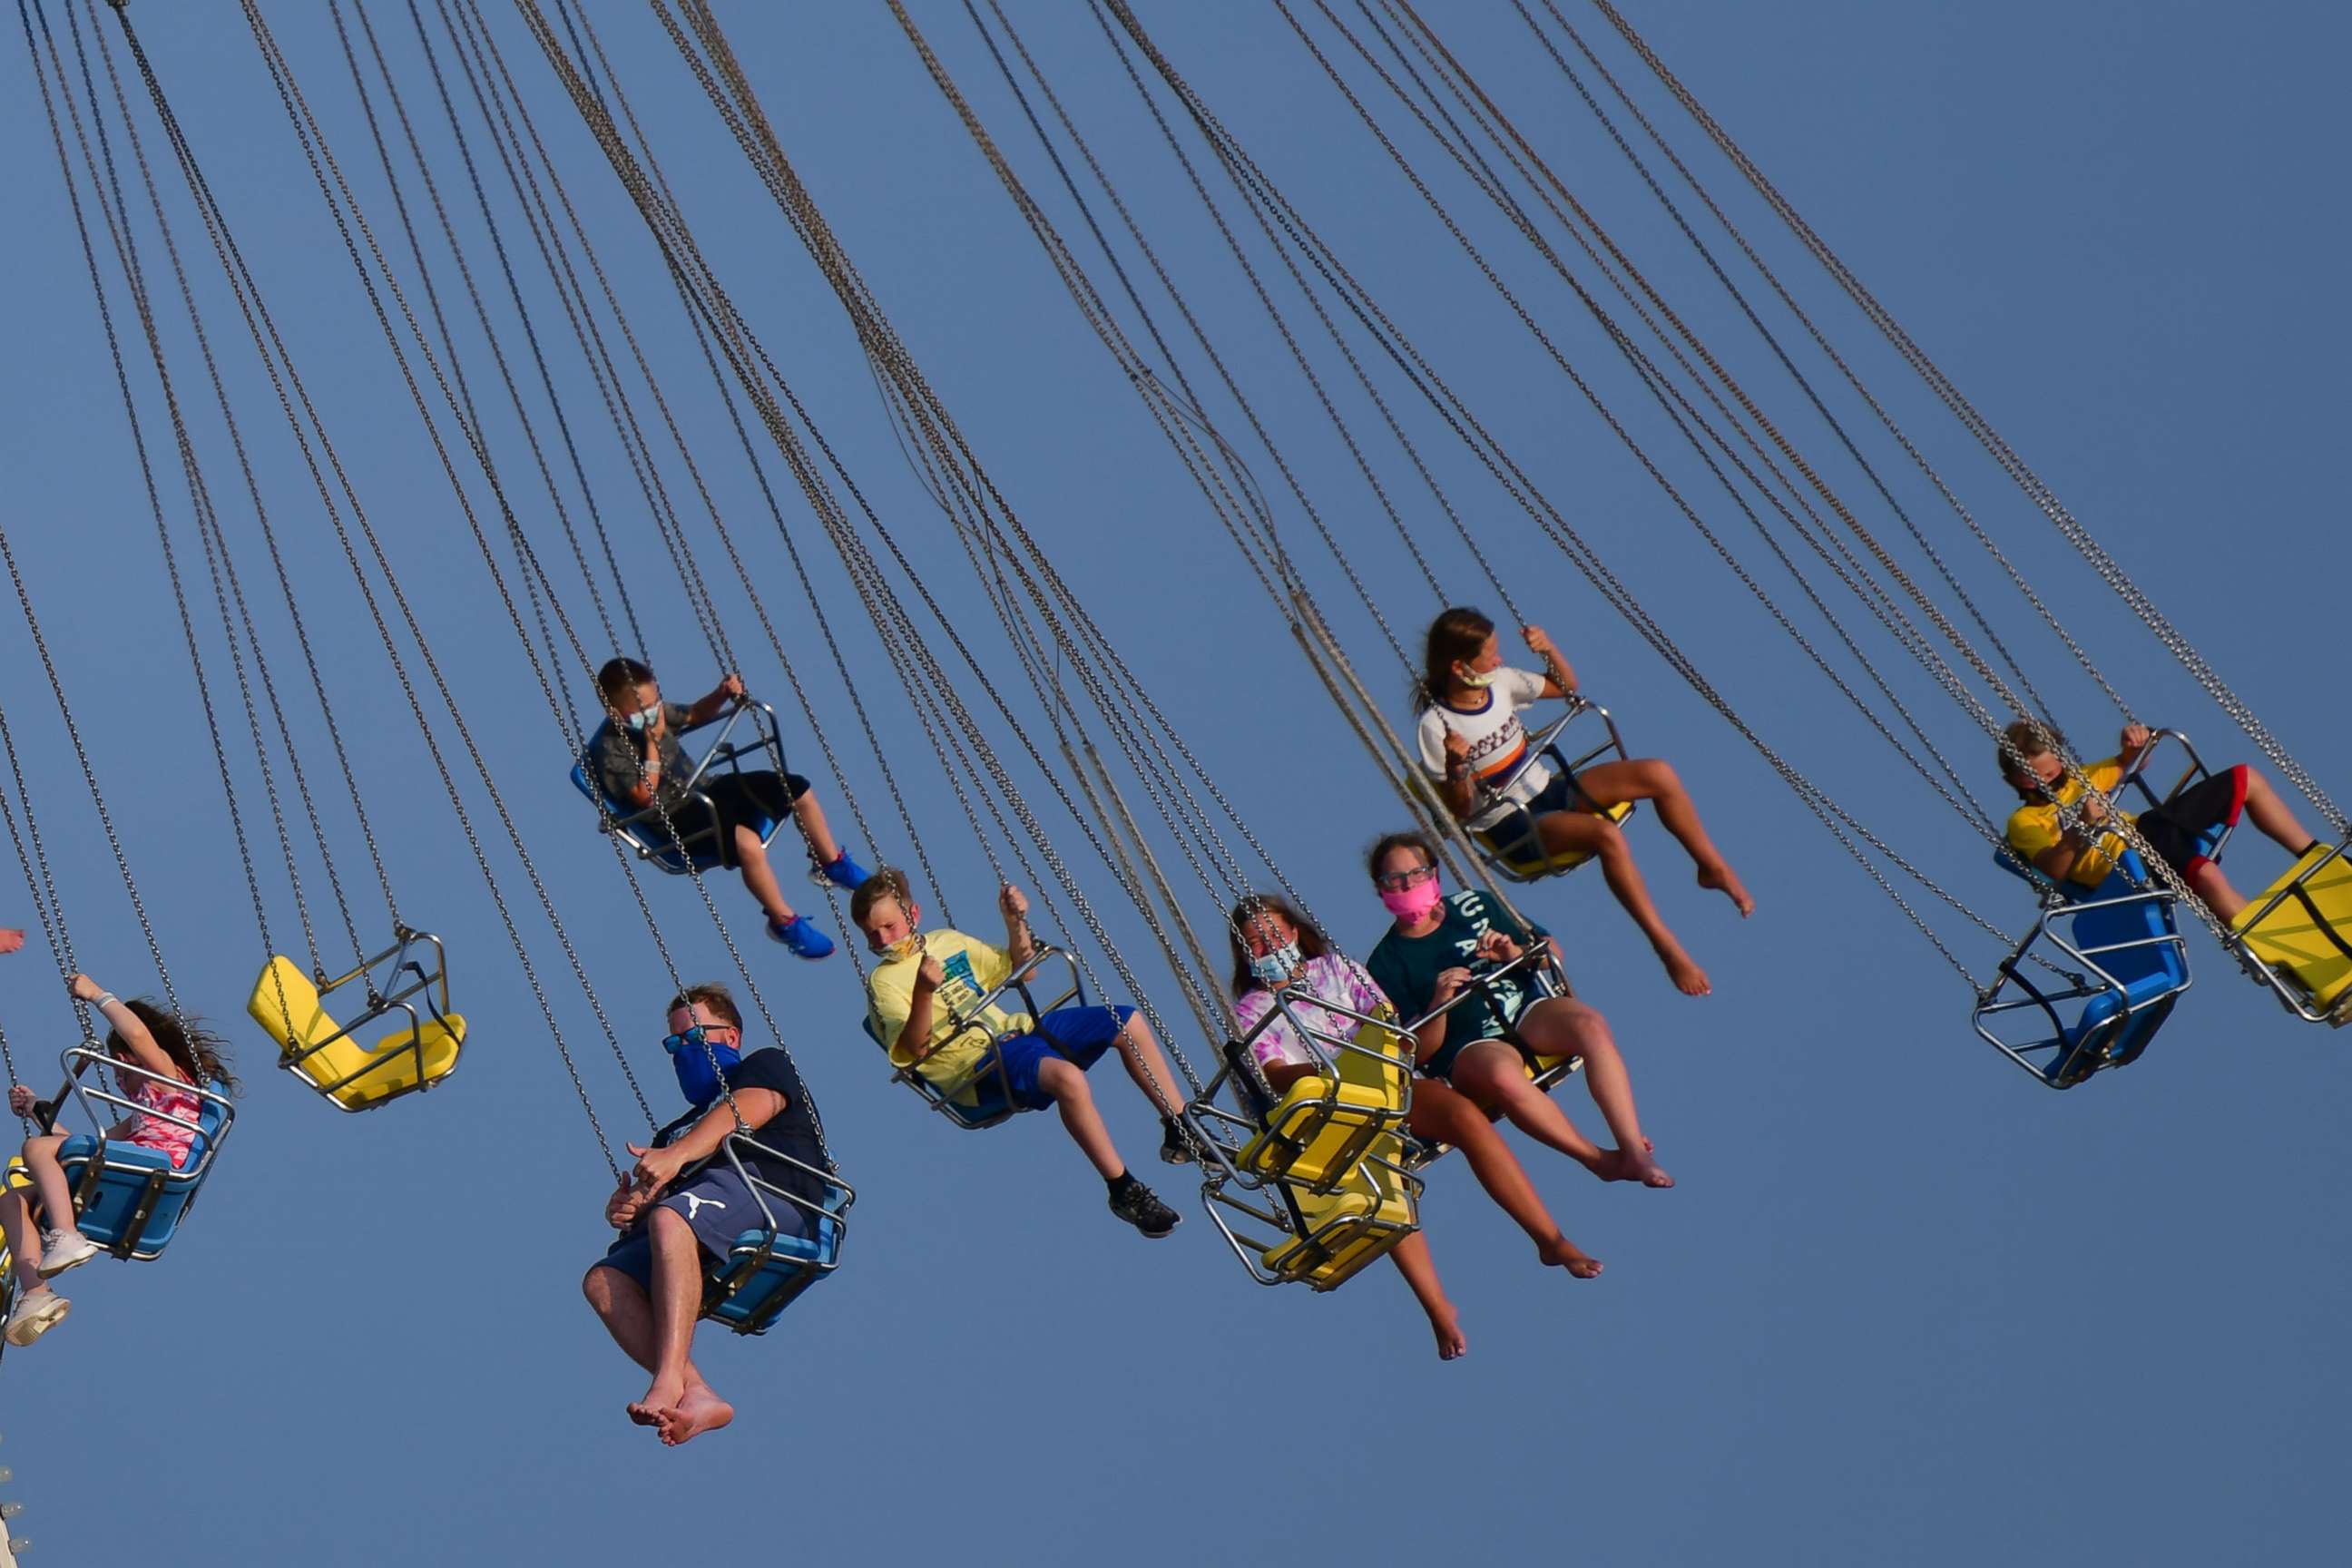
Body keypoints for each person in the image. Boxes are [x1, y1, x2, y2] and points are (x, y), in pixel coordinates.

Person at [1229, 896, 1602, 1362]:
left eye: (1276, 932)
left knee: (1465, 1118)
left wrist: (1424, 1017)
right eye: (1257, 940)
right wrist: (1322, 1075)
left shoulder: (1336, 970)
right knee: (1377, 1184)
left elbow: (1391, 1028)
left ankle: (1550, 1239)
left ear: (1296, 933)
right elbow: (1273, 1070)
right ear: (1246, 953)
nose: (1270, 944)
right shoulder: (1254, 1009)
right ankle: (1437, 1307)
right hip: (1333, 1103)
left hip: (1386, 1076)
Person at [1416, 606, 1749, 995]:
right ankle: (1667, 947)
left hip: (1548, 788)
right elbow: (1458, 811)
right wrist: (1457, 767)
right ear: (1460, 668)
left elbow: (1565, 687)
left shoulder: (1502, 682)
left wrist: (1548, 649)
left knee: (1659, 773)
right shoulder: (1437, 726)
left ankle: (1711, 868)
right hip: (1514, 827)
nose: (1499, 660)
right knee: (1606, 835)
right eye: (1489, 655)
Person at [851, 869, 1187, 1240]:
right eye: (872, 934)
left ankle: (1181, 1125)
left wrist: (1014, 921)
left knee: (1126, 1021)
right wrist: (924, 992)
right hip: (977, 1062)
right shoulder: (884, 983)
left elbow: (1021, 970)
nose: (883, 940)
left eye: (889, 926)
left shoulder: (945, 940)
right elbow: (915, 1049)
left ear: (913, 915)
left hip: (1020, 1030)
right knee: (1068, 1078)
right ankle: (1123, 1189)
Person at [583, 983, 829, 1446]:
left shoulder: (764, 1065)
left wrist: (676, 1156)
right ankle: (697, 1391)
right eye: (674, 1044)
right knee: (603, 1280)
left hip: (772, 1190)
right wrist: (633, 1204)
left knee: (672, 1218)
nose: (684, 1051)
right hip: (706, 1212)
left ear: (730, 1037)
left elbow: (749, 1109)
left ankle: (668, 1380)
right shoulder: (675, 1129)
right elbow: (661, 1194)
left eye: (694, 1038)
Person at [1365, 832, 1671, 1190]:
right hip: (1468, 1044)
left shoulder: (1475, 905)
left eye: (1417, 873)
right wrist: (1440, 1002)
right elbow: (1417, 1050)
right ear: (1381, 888)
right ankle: (1596, 1159)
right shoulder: (1385, 963)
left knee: (1590, 1024)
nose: (1409, 884)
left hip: (1524, 1008)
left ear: (1434, 873)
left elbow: (1550, 952)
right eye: (1396, 880)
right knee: (1503, 1076)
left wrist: (1511, 953)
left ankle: (1634, 1147)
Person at [2, 968, 236, 1348]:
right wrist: (34, 1108)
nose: (117, 1080)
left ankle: (68, 1236)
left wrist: (96, 994)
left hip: (156, 1165)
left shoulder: (168, 1079)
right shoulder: (143, 1116)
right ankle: (37, 1294)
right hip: (133, 1164)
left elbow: (140, 1035)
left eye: (118, 1070)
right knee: (11, 1201)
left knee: (34, 1150)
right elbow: (77, 1145)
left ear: (130, 1059)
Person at [592, 657, 870, 960]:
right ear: (616, 713)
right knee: (748, 844)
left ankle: (831, 863)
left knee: (798, 789)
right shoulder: (610, 750)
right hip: (677, 819)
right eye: (643, 707)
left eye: (655, 699)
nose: (653, 711)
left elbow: (695, 715)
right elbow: (644, 797)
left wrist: (722, 694)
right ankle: (784, 922)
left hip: (707, 788)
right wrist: (651, 744)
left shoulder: (657, 713)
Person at [1998, 719, 2319, 922]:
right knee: (2207, 875)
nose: (2053, 780)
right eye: (2039, 777)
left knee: (2246, 778)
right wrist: (2079, 830)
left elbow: (2131, 763)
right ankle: (2264, 946)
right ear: (2018, 780)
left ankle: (2314, 854)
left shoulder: (2082, 778)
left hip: (2149, 830)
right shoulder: (2024, 822)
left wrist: (2135, 741)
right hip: (2124, 866)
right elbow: (2054, 868)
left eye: (2055, 770)